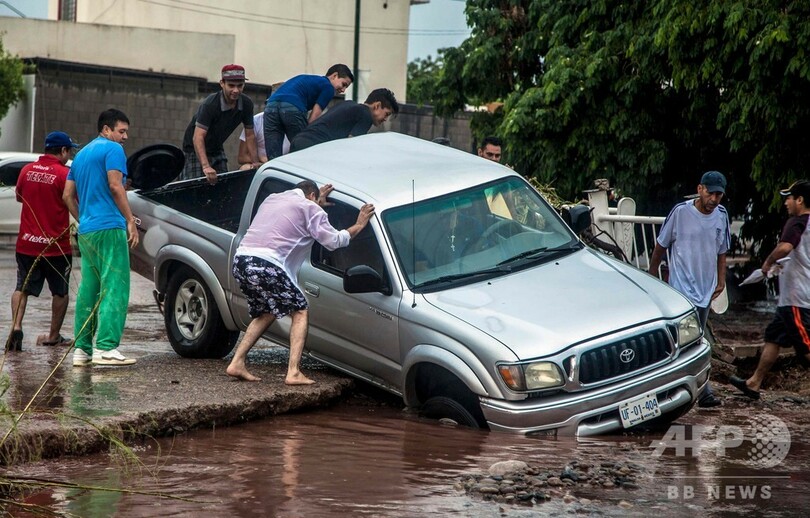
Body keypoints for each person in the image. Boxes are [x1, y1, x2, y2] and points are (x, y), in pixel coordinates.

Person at [226, 180, 374, 384]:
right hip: (268, 264)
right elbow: (333, 242)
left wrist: (316, 202)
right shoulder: (311, 208)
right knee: (300, 310)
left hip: (242, 260)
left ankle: (237, 362)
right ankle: (293, 372)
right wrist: (358, 224)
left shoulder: (272, 199)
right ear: (313, 196)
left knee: (266, 311)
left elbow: (291, 218)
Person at [63, 109, 140, 366]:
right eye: (121, 131)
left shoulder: (80, 155)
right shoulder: (113, 150)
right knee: (115, 285)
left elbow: (66, 196)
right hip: (109, 227)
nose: (125, 137)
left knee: (89, 289)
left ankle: (82, 350)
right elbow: (115, 186)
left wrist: (83, 217)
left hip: (87, 230)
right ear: (106, 130)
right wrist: (130, 220)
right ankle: (106, 348)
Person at [648, 170, 730, 408]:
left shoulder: (721, 216)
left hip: (705, 290)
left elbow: (722, 251)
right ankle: (700, 391)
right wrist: (652, 276)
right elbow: (661, 245)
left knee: (695, 342)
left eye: (719, 195)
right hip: (681, 290)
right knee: (684, 341)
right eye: (711, 193)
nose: (714, 199)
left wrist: (721, 280)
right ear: (700, 189)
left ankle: (698, 389)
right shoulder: (681, 213)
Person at [730, 180, 810, 400]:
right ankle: (754, 382)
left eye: (789, 198)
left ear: (800, 200)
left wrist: (767, 263)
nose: (785, 202)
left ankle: (755, 382)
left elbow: (785, 247)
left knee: (806, 349)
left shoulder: (798, 222)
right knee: (773, 337)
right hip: (791, 298)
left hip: (797, 299)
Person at [7, 131, 78, 352]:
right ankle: (53, 336)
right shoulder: (63, 174)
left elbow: (20, 197)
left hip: (27, 243)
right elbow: (71, 201)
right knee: (60, 292)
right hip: (55, 246)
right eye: (69, 150)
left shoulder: (27, 171)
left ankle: (16, 326)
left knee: (22, 287)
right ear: (63, 151)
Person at [179, 64, 258, 184]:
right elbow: (198, 137)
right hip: (194, 149)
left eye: (240, 86)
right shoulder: (210, 104)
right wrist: (206, 166)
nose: (236, 90)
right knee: (194, 185)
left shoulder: (246, 104)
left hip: (216, 147)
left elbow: (250, 135)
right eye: (231, 86)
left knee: (222, 184)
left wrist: (255, 161)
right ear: (222, 83)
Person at [263, 64, 354, 160]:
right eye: (344, 84)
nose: (343, 90)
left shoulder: (309, 79)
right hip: (292, 106)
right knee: (303, 148)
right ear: (334, 76)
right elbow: (314, 116)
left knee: (273, 153)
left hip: (271, 106)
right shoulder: (328, 87)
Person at [289, 88, 399, 152]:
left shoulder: (348, 104)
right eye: (386, 114)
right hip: (312, 147)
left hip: (299, 140)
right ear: (377, 105)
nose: (385, 119)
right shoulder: (366, 115)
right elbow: (350, 147)